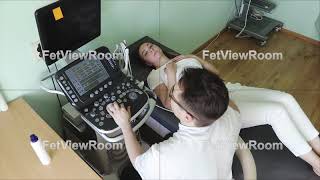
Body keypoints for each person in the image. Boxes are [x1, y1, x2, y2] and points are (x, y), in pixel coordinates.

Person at [137, 42, 320, 176]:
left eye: (150, 46)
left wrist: (194, 58)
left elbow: (216, 75)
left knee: (286, 98)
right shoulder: (155, 75)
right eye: (146, 52)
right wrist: (170, 75)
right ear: (146, 62)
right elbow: (170, 103)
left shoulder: (184, 58)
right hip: (212, 102)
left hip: (225, 88)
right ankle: (316, 163)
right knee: (277, 111)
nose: (151, 49)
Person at [107, 68, 242, 179]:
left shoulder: (164, 156)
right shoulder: (231, 116)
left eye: (171, 93)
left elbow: (137, 161)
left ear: (187, 117)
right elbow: (231, 104)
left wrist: (125, 125)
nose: (169, 92)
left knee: (128, 174)